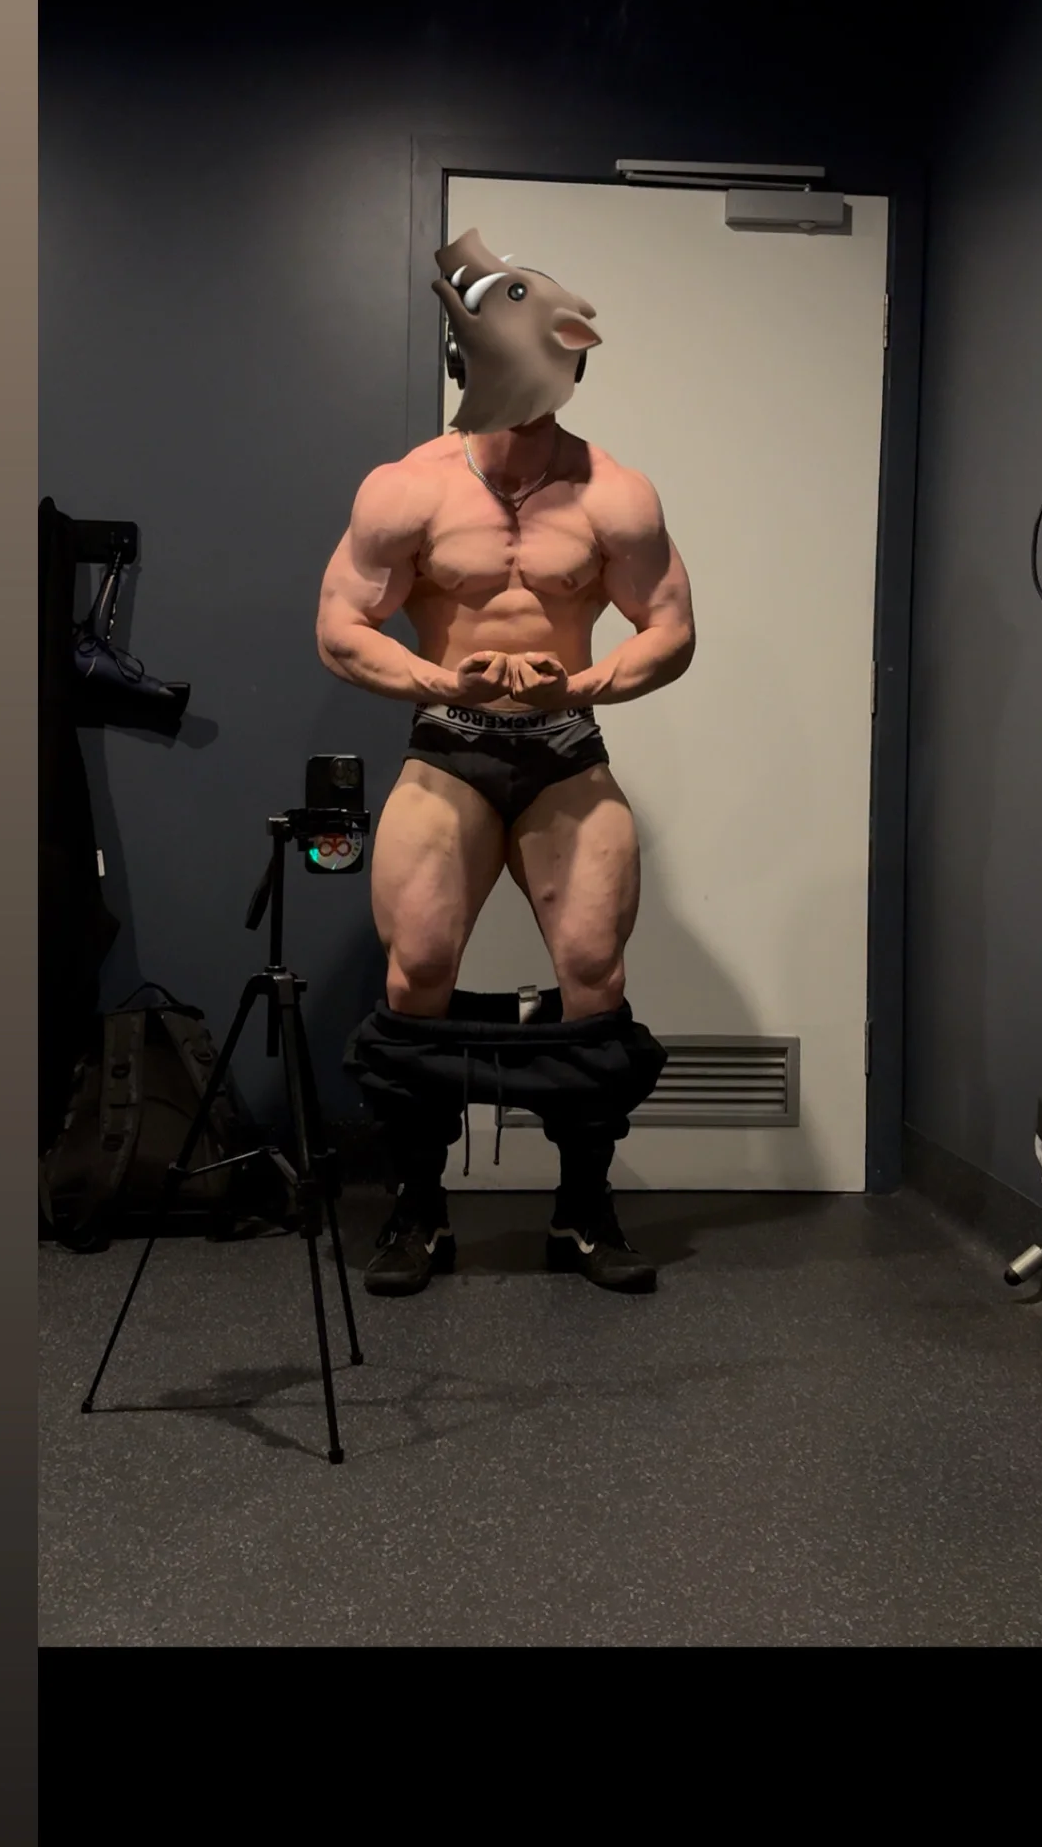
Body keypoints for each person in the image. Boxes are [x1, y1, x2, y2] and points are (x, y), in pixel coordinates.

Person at [318, 228, 695, 1294]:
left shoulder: (616, 494)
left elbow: (671, 632)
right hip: (451, 746)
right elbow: (340, 629)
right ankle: (419, 1210)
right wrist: (443, 682)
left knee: (595, 975)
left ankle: (582, 1211)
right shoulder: (406, 490)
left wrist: (581, 686)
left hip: (564, 747)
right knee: (418, 973)